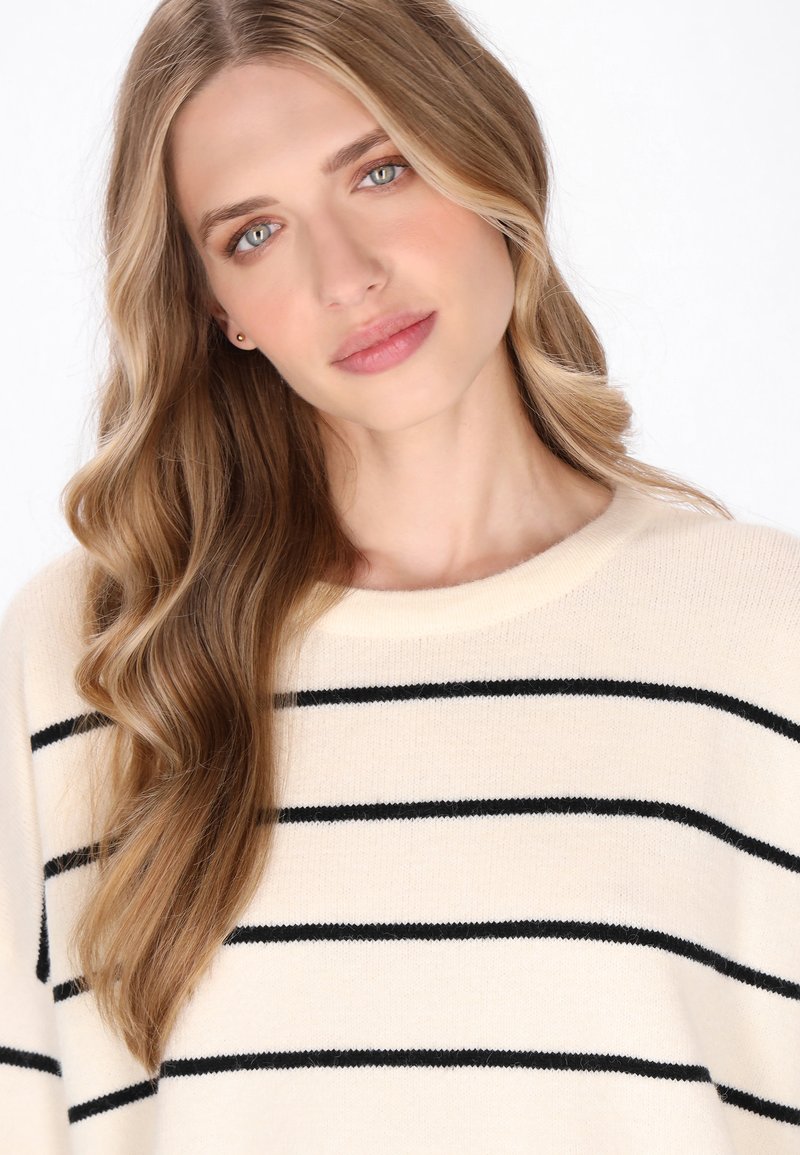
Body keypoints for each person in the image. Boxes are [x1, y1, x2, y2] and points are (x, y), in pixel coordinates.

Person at [1, 0, 798, 1150]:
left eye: (378, 173)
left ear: (484, 160)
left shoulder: (762, 632)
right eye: (253, 234)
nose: (345, 276)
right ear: (217, 310)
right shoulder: (101, 657)